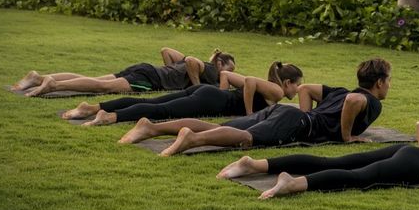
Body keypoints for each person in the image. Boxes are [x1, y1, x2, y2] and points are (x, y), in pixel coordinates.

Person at [217, 111, 419, 199]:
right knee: (361, 179)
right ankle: (293, 184)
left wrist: (418, 154)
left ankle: (256, 164)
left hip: (414, 154)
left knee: (337, 162)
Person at [118, 57, 392, 156]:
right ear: (378, 82)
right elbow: (353, 101)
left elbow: (306, 89)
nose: (389, 85)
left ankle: (151, 128)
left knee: (223, 128)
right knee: (247, 138)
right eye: (388, 80)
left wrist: (306, 114)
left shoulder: (340, 90)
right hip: (295, 122)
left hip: (289, 115)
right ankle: (192, 139)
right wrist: (346, 137)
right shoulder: (369, 101)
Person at [63, 62, 301, 126]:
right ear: (287, 82)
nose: (298, 90)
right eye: (297, 85)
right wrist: (248, 114)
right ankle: (110, 116)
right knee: (161, 110)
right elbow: (248, 82)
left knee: (155, 103)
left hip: (207, 93)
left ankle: (93, 108)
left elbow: (227, 77)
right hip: (211, 100)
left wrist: (224, 97)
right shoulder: (277, 91)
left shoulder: (271, 88)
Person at [11, 48, 236, 97]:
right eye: (230, 69)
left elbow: (167, 51)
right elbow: (191, 61)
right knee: (103, 87)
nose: (231, 74)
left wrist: (173, 73)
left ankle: (38, 78)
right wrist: (195, 85)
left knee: (97, 80)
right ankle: (53, 85)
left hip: (147, 69)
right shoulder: (210, 71)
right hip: (148, 79)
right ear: (219, 64)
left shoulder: (209, 68)